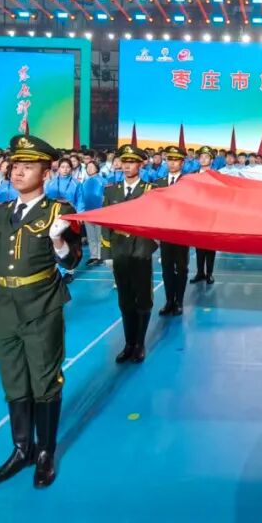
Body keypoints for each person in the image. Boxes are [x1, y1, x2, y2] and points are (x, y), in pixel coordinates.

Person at [0, 135, 81, 488]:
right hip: (4, 306)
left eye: (28, 167)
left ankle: (44, 453)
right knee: (13, 379)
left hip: (41, 304)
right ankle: (22, 448)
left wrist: (58, 240)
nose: (18, 172)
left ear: (46, 172)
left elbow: (73, 261)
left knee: (44, 379)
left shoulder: (59, 211)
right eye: (15, 166)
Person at [101, 146, 158, 363]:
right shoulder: (111, 191)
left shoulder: (150, 190)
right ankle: (129, 344)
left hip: (140, 248)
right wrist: (107, 252)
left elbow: (157, 221)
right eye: (124, 161)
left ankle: (140, 343)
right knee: (125, 299)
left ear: (141, 165)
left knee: (142, 298)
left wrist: (150, 246)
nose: (126, 166)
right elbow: (105, 222)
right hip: (120, 250)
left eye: (132, 162)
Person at [154, 146, 190, 316]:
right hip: (165, 233)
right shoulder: (159, 183)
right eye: (170, 159)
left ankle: (179, 301)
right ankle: (169, 300)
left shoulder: (188, 183)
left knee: (181, 268)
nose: (172, 163)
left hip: (182, 232)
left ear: (182, 163)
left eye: (176, 160)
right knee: (166, 268)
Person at [190, 146, 217, 285]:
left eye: (206, 157)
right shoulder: (192, 175)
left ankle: (209, 274)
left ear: (212, 160)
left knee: (211, 246)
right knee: (199, 246)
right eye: (201, 157)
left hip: (212, 216)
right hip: (197, 216)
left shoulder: (217, 175)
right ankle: (200, 272)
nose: (203, 159)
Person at [80, 161, 106, 265]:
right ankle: (93, 255)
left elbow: (106, 196)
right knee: (91, 236)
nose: (89, 169)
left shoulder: (102, 181)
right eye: (88, 167)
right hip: (87, 212)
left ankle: (100, 255)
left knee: (99, 235)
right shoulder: (85, 182)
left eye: (92, 167)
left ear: (97, 168)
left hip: (100, 211)